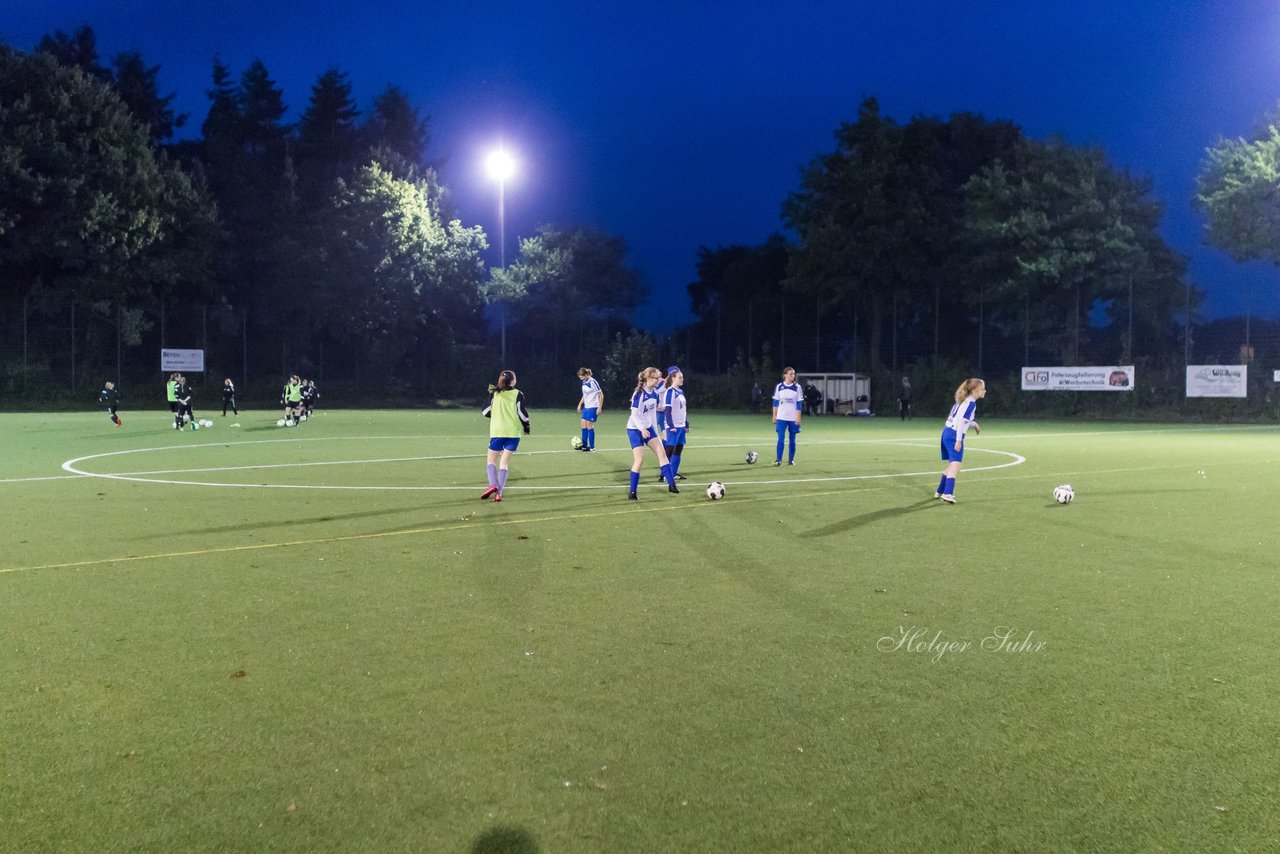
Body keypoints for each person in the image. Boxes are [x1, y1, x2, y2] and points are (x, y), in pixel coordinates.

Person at [626, 367, 679, 500]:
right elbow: (634, 415)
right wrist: (642, 429)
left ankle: (672, 484)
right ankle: (632, 492)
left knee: (662, 454)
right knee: (639, 459)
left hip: (648, 429)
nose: (659, 380)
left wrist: (654, 430)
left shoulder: (654, 393)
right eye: (657, 378)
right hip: (634, 429)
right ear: (649, 378)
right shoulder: (639, 393)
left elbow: (652, 415)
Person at [480, 369, 531, 503]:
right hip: (513, 433)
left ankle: (492, 485)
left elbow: (485, 412)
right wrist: (527, 428)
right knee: (504, 464)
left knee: (491, 462)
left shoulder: (495, 393)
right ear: (513, 381)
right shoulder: (518, 394)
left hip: (497, 432)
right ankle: (499, 493)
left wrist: (496, 415)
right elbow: (522, 413)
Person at [935, 378, 986, 504]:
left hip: (947, 432)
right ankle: (948, 493)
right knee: (956, 465)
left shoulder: (963, 401)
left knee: (953, 464)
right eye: (982, 389)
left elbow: (961, 419)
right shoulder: (970, 404)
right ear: (974, 391)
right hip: (954, 435)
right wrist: (958, 441)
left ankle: (940, 490)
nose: (985, 391)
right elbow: (961, 422)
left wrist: (974, 424)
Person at [657, 366, 689, 481]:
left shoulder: (680, 391)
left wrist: (686, 423)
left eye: (682, 377)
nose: (682, 379)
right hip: (673, 427)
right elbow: (668, 410)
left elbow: (683, 409)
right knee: (670, 450)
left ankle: (673, 473)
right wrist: (671, 426)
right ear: (673, 378)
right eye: (680, 377)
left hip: (680, 426)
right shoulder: (670, 392)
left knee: (679, 449)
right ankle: (663, 474)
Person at [772, 367, 803, 466]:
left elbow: (799, 404)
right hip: (781, 417)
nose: (793, 376)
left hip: (793, 417)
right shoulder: (779, 387)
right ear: (785, 375)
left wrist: (798, 417)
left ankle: (791, 459)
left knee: (792, 439)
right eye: (791, 374)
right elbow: (775, 402)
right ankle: (778, 459)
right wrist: (774, 415)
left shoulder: (797, 387)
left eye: (794, 374)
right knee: (781, 438)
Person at [576, 367, 603, 451]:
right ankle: (584, 446)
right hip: (586, 407)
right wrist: (580, 404)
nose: (580, 378)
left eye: (581, 376)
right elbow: (585, 395)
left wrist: (599, 407)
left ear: (586, 375)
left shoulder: (593, 382)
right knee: (583, 425)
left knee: (589, 426)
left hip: (593, 407)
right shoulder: (584, 382)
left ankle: (592, 447)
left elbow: (601, 394)